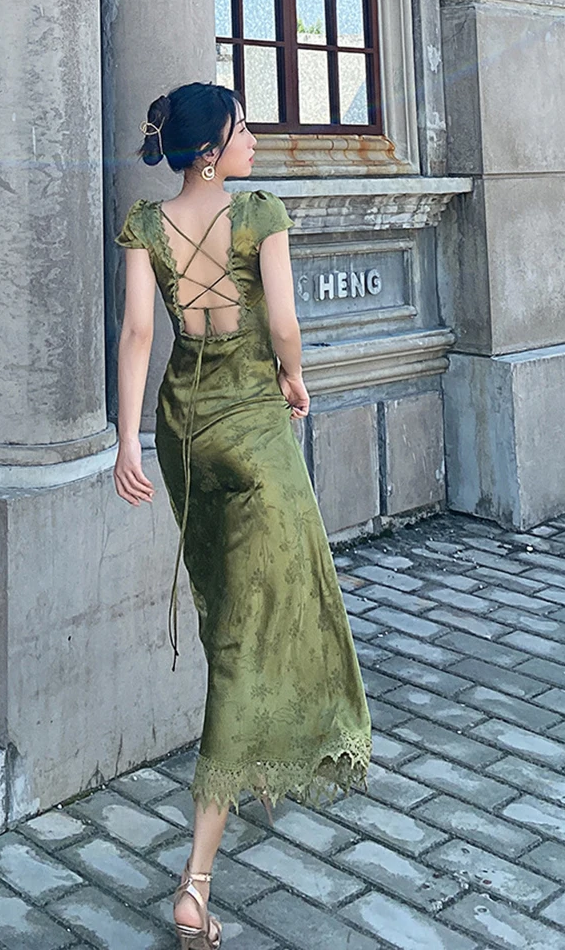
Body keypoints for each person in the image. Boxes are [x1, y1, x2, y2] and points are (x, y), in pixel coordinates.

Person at [113, 81, 371, 950]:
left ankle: (256, 753)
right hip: (255, 435)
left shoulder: (147, 227)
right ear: (210, 151)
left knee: (232, 615)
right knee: (256, 632)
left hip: (183, 436)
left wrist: (126, 443)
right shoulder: (260, 215)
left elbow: (139, 337)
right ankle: (195, 881)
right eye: (242, 128)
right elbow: (286, 325)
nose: (253, 139)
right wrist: (294, 377)